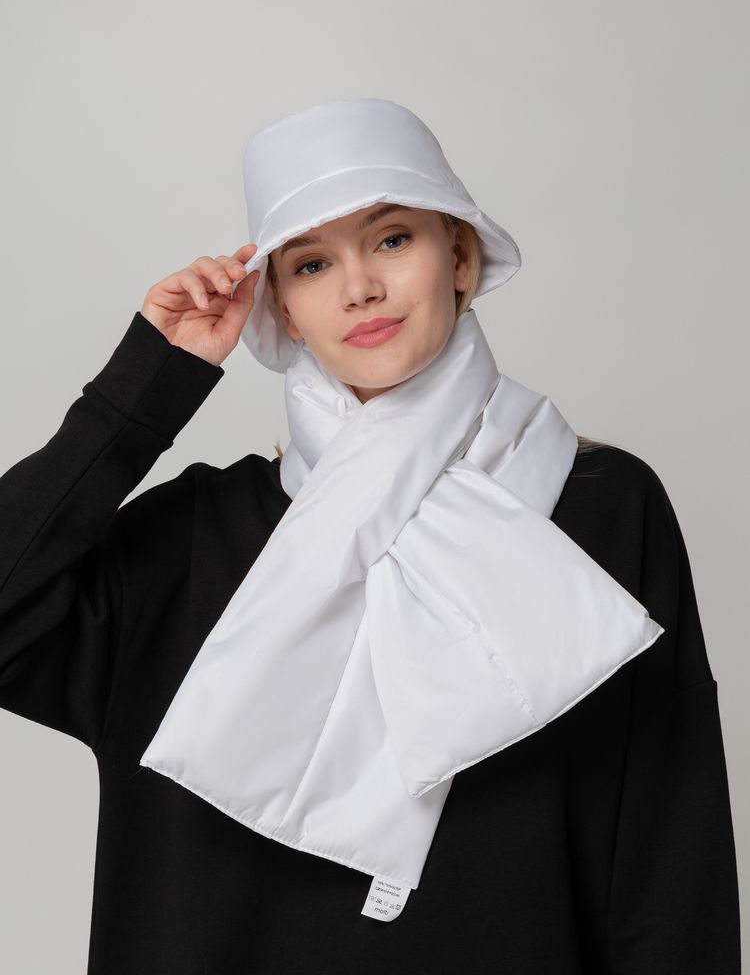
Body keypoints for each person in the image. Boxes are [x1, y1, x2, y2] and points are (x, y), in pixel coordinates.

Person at [0, 98, 741, 973]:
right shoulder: (188, 540)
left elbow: (667, 853)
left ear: (457, 257)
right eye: (312, 263)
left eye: (392, 239)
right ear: (283, 306)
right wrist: (144, 384)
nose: (359, 288)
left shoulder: (603, 507)